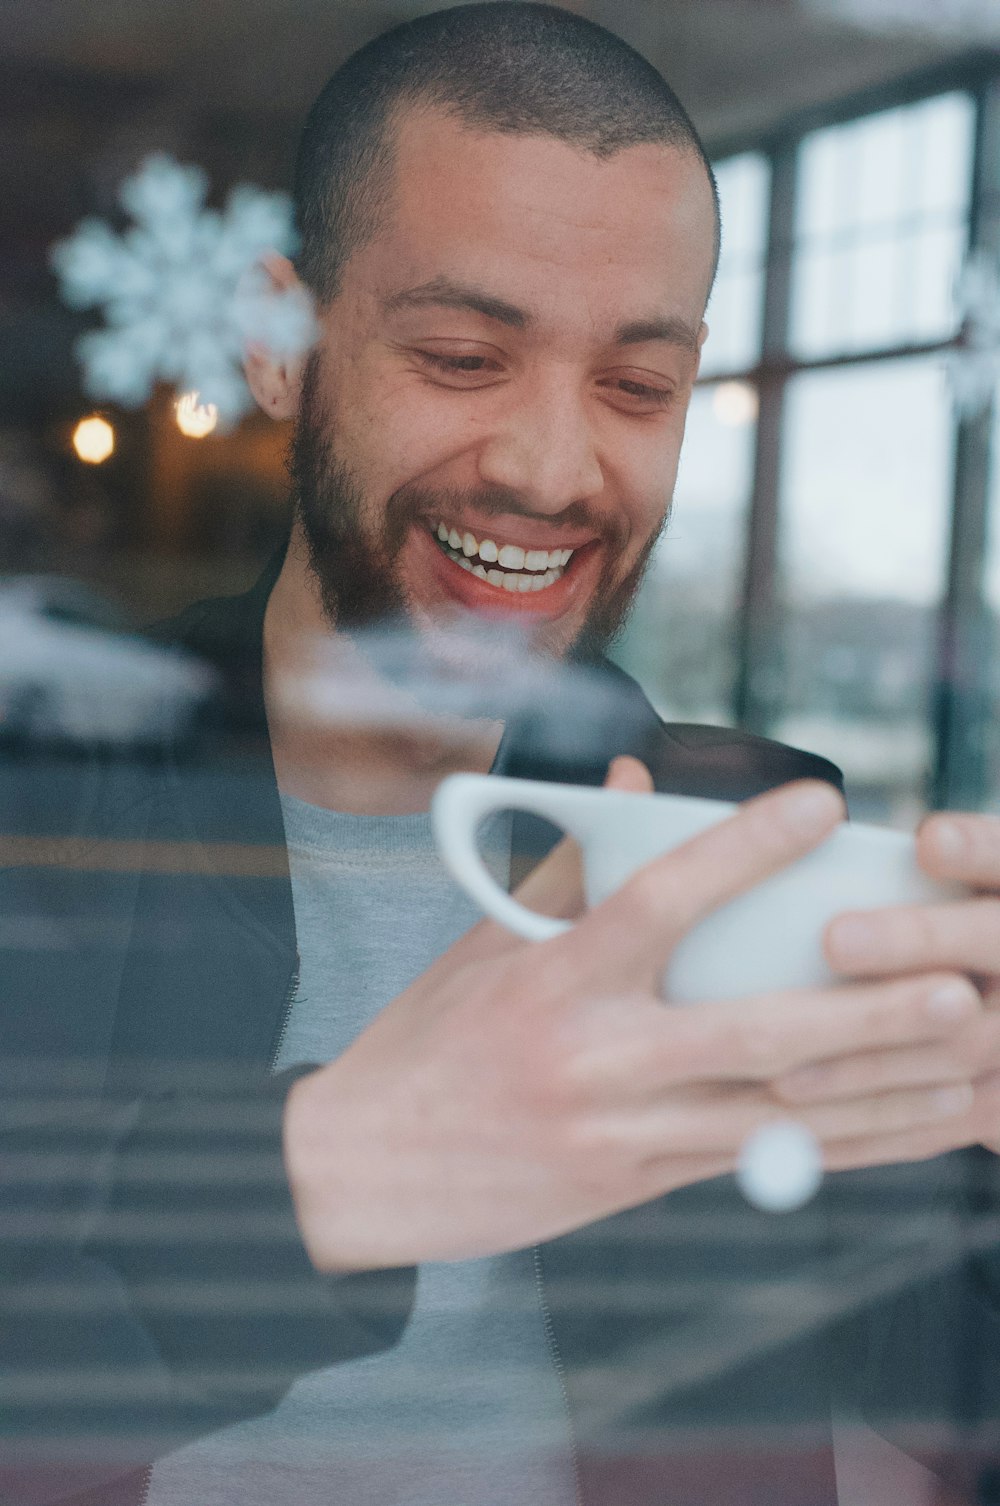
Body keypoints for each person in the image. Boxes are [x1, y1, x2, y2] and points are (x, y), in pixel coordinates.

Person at [5, 5, 1000, 1503]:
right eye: (466, 356)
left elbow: (948, 1401)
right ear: (281, 348)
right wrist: (330, 1178)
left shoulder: (752, 851)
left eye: (637, 387)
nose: (550, 467)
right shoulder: (53, 819)